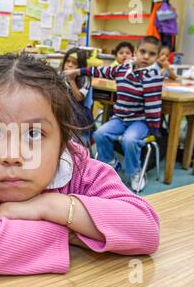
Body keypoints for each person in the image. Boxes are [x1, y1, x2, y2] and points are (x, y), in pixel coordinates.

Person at [0, 54, 160, 278]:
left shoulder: (76, 166)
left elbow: (146, 229)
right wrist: (71, 232)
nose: (12, 155)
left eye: (34, 133)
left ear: (63, 141)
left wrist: (50, 206)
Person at [65, 36, 163, 192]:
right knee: (99, 134)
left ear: (157, 57)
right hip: (120, 118)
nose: (146, 56)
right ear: (136, 52)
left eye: (151, 54)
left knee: (129, 140)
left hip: (140, 121)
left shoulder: (152, 77)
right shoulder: (122, 69)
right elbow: (99, 70)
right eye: (143, 52)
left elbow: (153, 106)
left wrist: (154, 129)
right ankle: (111, 163)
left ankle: (135, 172)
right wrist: (78, 71)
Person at [58, 47, 93, 145]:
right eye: (68, 61)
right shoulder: (59, 75)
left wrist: (71, 79)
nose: (70, 65)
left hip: (78, 113)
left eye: (74, 63)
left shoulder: (85, 78)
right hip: (63, 109)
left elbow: (79, 97)